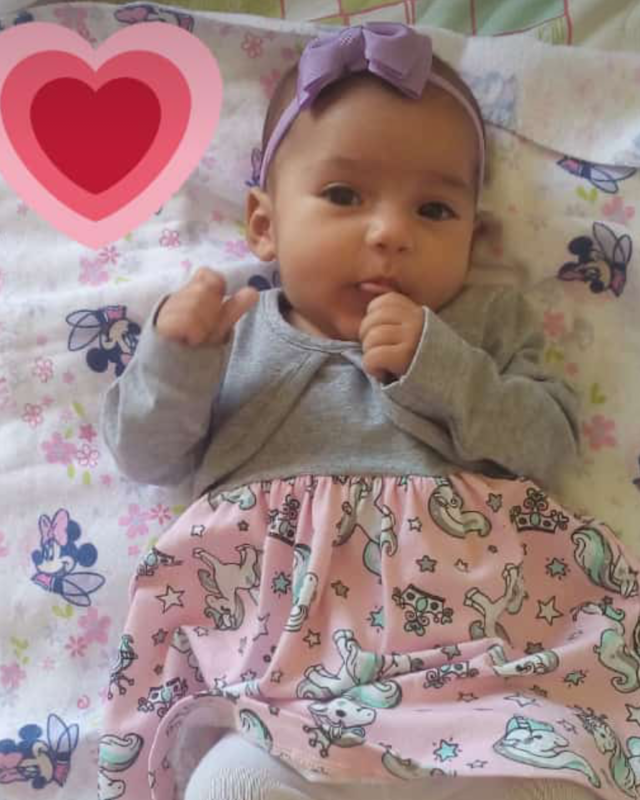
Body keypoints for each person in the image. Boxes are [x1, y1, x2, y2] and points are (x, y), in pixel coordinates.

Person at [98, 22, 640, 800]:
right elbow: (147, 455)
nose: (390, 234)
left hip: (481, 687)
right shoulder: (233, 331)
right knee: (227, 784)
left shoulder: (483, 325)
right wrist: (174, 358)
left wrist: (441, 368)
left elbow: (548, 446)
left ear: (477, 235)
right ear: (263, 224)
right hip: (283, 697)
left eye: (434, 210)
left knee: (558, 774)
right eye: (344, 196)